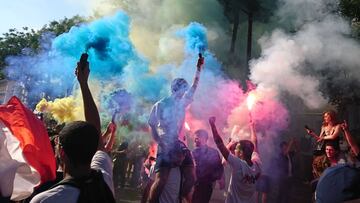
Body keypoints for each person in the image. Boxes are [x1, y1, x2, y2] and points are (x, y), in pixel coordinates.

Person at [30, 56, 116, 203]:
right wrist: (83, 84)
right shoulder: (103, 178)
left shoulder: (44, 200)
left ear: (61, 153)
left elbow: (94, 133)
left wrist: (82, 82)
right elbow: (95, 132)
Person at [148, 54, 204, 202]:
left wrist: (199, 68)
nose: (185, 93)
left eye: (185, 90)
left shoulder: (182, 103)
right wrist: (160, 141)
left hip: (180, 145)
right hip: (166, 144)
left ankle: (179, 197)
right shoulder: (160, 104)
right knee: (161, 180)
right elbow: (152, 125)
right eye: (183, 89)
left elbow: (195, 87)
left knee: (192, 178)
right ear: (175, 89)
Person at [209, 116, 261, 203]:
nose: (235, 150)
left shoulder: (239, 164)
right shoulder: (258, 164)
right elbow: (255, 143)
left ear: (241, 153)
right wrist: (252, 126)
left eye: (237, 148)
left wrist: (212, 125)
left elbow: (219, 143)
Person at [191, 129, 224, 203]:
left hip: (202, 185)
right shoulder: (213, 151)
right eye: (195, 138)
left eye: (197, 138)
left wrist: (221, 180)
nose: (195, 140)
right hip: (204, 185)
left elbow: (219, 167)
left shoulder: (194, 153)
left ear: (203, 138)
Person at [276, 138, 296, 203]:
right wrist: (291, 142)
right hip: (282, 178)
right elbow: (285, 153)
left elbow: (298, 151)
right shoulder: (280, 155)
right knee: (281, 193)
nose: (286, 147)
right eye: (285, 146)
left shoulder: (289, 153)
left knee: (288, 194)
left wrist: (295, 144)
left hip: (290, 177)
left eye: (286, 146)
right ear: (281, 148)